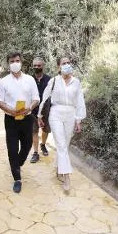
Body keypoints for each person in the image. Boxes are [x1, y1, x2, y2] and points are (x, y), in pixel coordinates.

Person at [38, 56, 86, 193]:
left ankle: (59, 169)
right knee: (61, 145)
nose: (66, 65)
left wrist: (78, 120)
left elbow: (80, 102)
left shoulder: (76, 82)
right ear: (59, 66)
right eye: (63, 63)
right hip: (56, 114)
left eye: (68, 63)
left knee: (65, 145)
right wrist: (39, 115)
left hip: (70, 114)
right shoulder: (54, 81)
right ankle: (66, 177)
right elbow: (45, 97)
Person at [0, 51, 40, 193]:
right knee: (12, 149)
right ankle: (17, 178)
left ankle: (17, 163)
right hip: (11, 119)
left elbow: (36, 98)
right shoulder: (3, 82)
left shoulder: (30, 80)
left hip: (27, 118)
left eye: (17, 60)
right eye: (12, 61)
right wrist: (10, 110)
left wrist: (30, 107)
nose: (15, 63)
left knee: (27, 145)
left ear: (21, 62)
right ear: (8, 64)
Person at [30, 57, 51, 163]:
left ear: (43, 66)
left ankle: (43, 144)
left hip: (46, 110)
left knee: (46, 130)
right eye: (35, 65)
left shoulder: (49, 79)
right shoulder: (29, 79)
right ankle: (35, 152)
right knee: (34, 131)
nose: (37, 67)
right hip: (33, 110)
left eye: (39, 65)